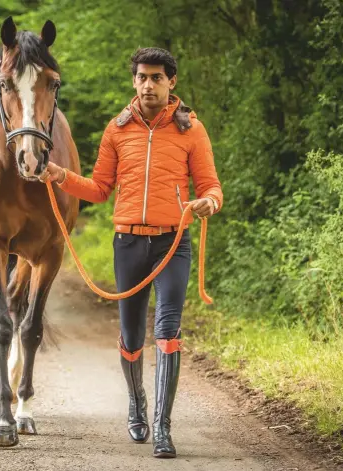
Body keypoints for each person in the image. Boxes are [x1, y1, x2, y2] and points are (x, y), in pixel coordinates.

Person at [40, 47, 223, 459]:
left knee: (168, 330)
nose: (148, 85)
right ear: (134, 80)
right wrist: (61, 176)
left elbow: (211, 185)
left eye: (157, 77)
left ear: (171, 81)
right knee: (131, 335)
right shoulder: (117, 130)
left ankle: (162, 427)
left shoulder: (191, 129)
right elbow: (100, 189)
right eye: (142, 77)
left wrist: (209, 201)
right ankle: (137, 401)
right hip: (128, 243)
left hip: (172, 242)